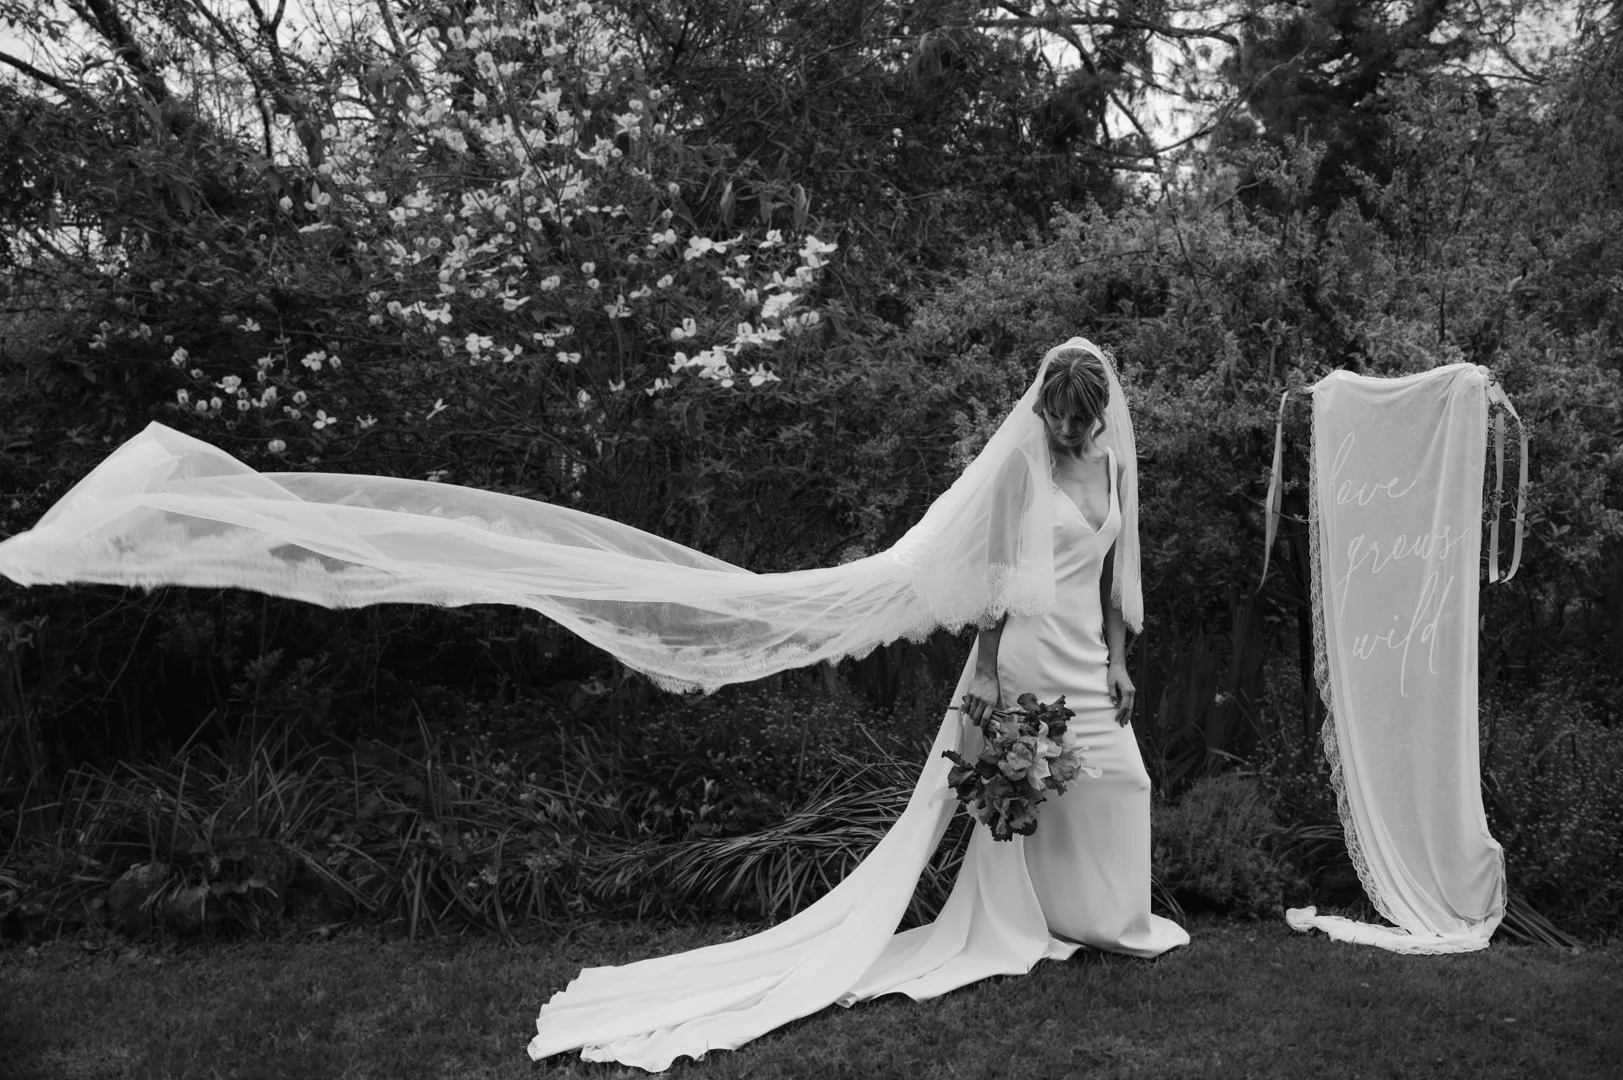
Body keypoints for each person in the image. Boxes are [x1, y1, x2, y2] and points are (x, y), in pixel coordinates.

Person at [0, 335, 1188, 1074]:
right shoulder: (1023, 459)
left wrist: (1124, 656)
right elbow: (983, 577)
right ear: (1047, 408)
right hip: (1027, 654)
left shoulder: (1111, 465)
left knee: (1116, 783)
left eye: (1080, 424)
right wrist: (985, 667)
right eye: (1060, 419)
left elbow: (1117, 571)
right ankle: (1045, 925)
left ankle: (1105, 918)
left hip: (1094, 654)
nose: (1070, 432)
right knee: (1026, 801)